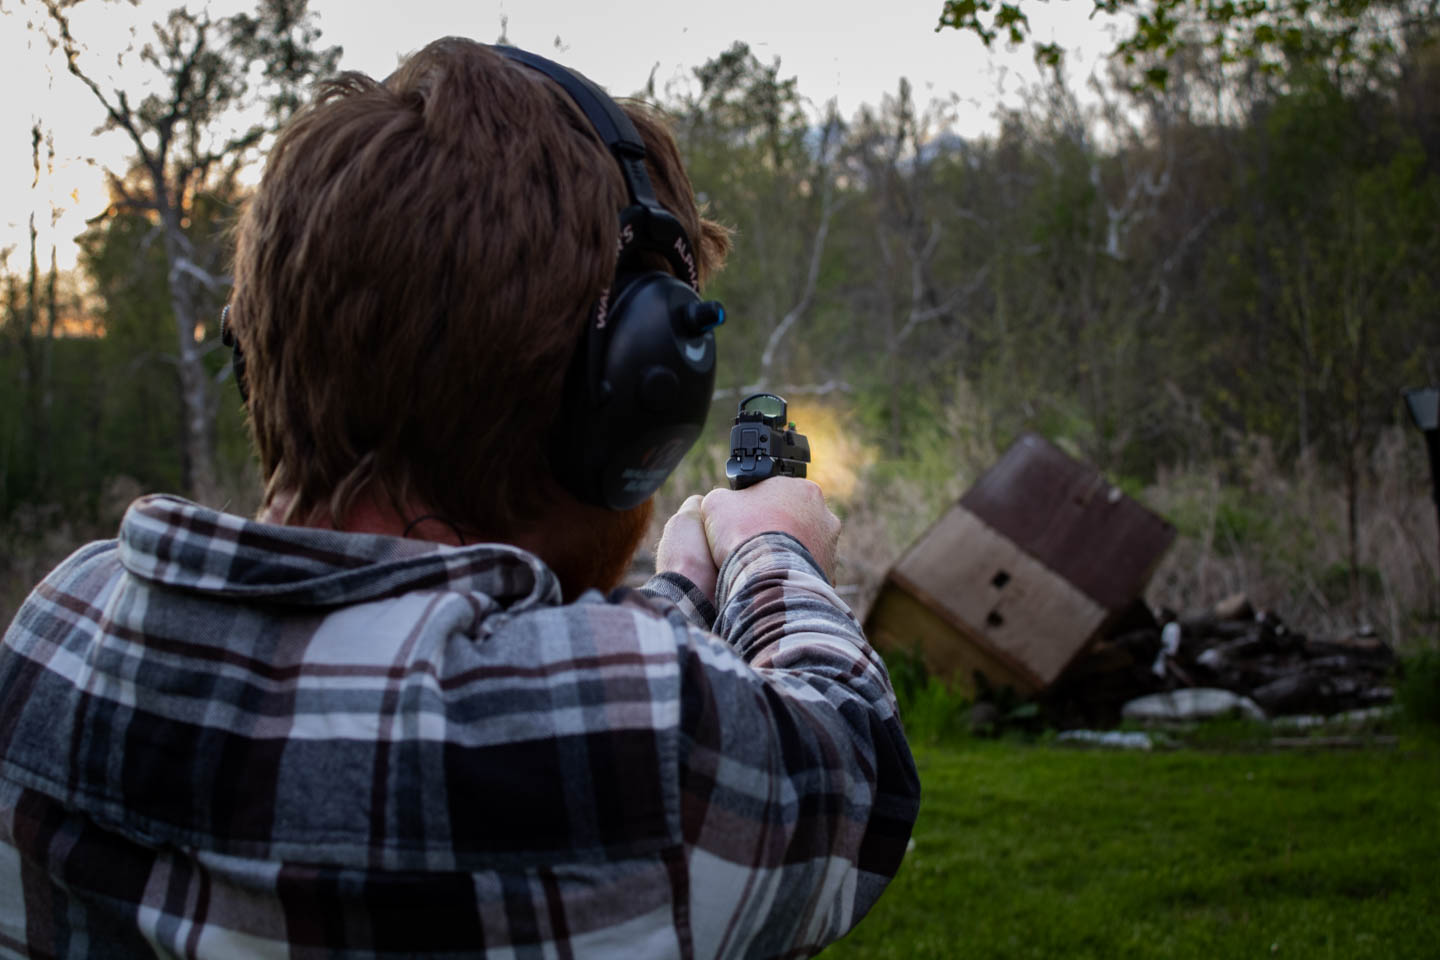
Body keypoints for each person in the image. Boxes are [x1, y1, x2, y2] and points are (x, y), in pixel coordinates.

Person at [0, 38, 919, 958]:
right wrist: (772, 547)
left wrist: (684, 578)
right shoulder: (625, 755)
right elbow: (853, 768)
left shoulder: (58, 631)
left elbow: (510, 664)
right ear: (633, 395)